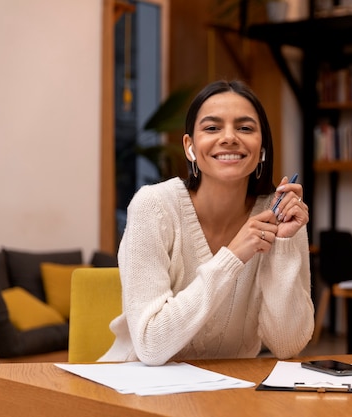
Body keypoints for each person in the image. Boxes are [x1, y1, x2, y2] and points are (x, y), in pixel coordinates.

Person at [99, 80, 314, 366]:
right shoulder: (153, 207)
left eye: (245, 128)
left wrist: (284, 244)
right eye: (212, 128)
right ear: (190, 146)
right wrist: (233, 256)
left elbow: (287, 345)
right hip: (139, 390)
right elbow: (151, 346)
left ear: (262, 147)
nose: (229, 138)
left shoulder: (280, 215)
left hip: (229, 393)